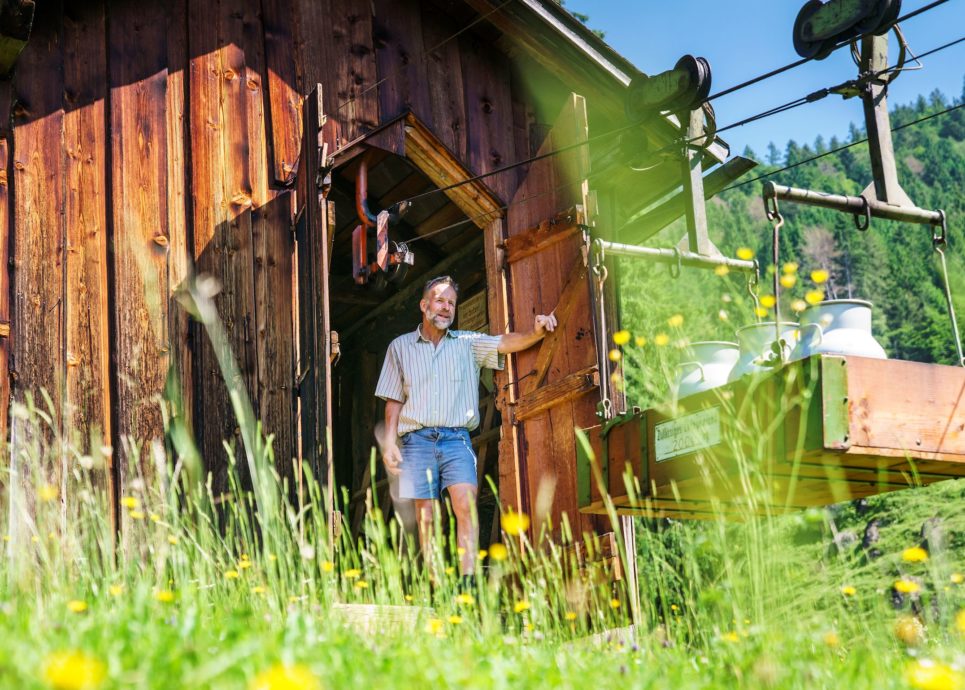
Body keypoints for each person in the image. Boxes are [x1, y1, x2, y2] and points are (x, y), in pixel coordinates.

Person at [375, 275, 557, 578]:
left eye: (451, 303)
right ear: (424, 305)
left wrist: (535, 333)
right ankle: (436, 587)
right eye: (439, 300)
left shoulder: (467, 344)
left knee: (465, 505)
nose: (445, 308)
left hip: (456, 440)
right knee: (427, 516)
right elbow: (393, 400)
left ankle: (467, 583)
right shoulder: (400, 347)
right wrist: (391, 443)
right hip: (416, 441)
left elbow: (504, 342)